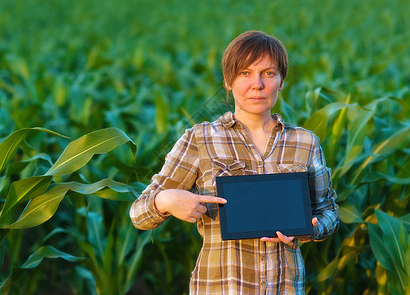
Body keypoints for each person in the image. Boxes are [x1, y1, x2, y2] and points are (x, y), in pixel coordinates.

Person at [130, 30, 339, 294]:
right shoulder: (200, 139)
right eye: (245, 73)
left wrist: (312, 228)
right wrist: (166, 201)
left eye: (269, 73)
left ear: (282, 80)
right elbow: (139, 213)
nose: (257, 84)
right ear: (228, 81)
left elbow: (329, 212)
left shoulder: (305, 142)